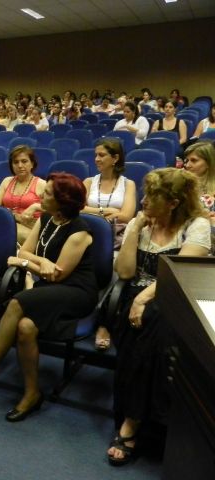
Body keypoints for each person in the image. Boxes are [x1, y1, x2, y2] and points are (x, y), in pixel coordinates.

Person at [0, 173, 97, 422]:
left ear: (63, 200)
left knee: (16, 302)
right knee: (25, 327)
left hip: (76, 292)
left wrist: (25, 263)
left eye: (48, 193)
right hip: (49, 289)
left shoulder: (80, 232)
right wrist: (39, 261)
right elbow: (25, 252)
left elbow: (56, 274)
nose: (41, 194)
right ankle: (32, 394)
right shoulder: (46, 218)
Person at [108, 168, 210, 466]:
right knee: (140, 331)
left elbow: (179, 273)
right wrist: (135, 229)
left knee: (153, 328)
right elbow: (125, 272)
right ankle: (139, 417)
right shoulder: (141, 222)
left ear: (174, 203)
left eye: (153, 196)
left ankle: (132, 421)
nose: (144, 201)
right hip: (134, 296)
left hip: (175, 297)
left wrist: (142, 298)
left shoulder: (197, 225)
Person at [80, 139, 137, 350]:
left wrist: (92, 211)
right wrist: (106, 212)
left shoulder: (128, 184)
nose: (96, 159)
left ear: (115, 158)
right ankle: (82, 309)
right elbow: (78, 208)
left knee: (114, 265)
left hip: (116, 238)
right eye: (96, 155)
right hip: (87, 235)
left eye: (102, 155)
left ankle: (104, 322)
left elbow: (127, 215)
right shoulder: (88, 181)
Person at [0, 146, 46, 245]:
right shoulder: (6, 181)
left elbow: (55, 210)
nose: (20, 165)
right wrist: (15, 216)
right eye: (16, 162)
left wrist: (35, 206)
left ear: (32, 164)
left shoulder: (42, 184)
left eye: (24, 161)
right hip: (8, 222)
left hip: (32, 228)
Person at [184, 141, 215, 235]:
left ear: (208, 163)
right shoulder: (181, 184)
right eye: (187, 160)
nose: (187, 165)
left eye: (194, 160)